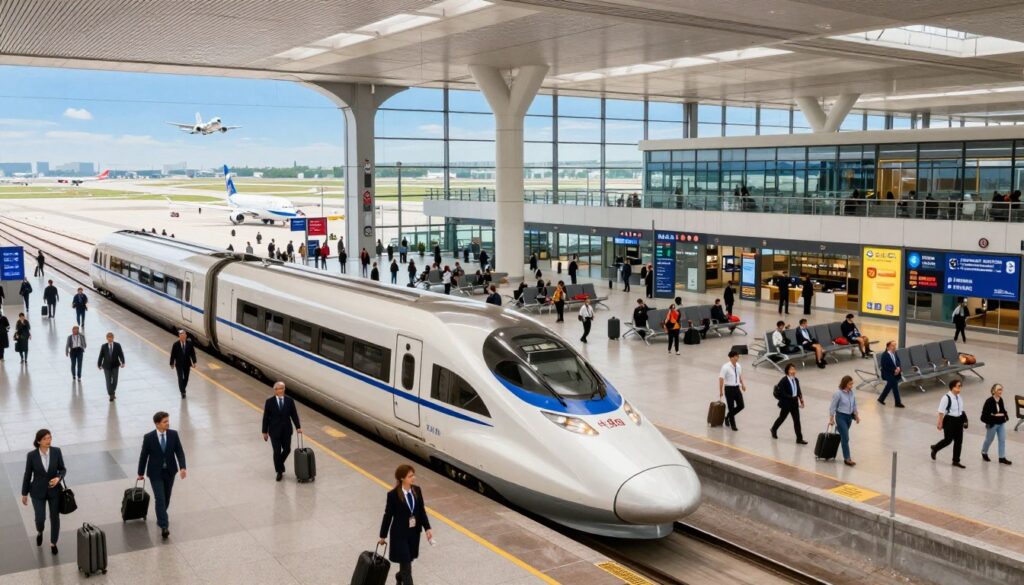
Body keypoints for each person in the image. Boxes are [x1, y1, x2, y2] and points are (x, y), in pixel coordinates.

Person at [378, 464, 432, 585]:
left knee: (406, 563)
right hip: (399, 535)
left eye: (413, 475)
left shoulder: (417, 490)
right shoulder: (393, 495)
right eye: (410, 476)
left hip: (413, 534)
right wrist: (383, 536)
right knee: (407, 567)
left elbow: (421, 511)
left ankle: (399, 576)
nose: (413, 478)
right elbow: (388, 515)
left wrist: (427, 528)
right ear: (402, 478)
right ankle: (404, 577)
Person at [138, 411, 187, 539]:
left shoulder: (173, 434)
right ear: (157, 424)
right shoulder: (149, 438)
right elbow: (143, 456)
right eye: (165, 422)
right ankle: (164, 526)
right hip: (155, 473)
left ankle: (161, 516)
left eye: (168, 421)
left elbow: (179, 452)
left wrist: (182, 467)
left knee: (166, 498)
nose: (168, 423)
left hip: (170, 472)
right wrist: (140, 473)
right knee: (160, 498)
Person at [21, 428, 65, 555]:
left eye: (50, 437)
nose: (48, 440)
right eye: (45, 438)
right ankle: (40, 531)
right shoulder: (31, 456)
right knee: (40, 518)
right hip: (37, 492)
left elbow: (62, 469)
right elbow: (27, 475)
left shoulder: (56, 451)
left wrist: (58, 478)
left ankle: (53, 543)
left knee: (55, 517)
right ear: (39, 441)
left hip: (54, 491)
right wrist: (24, 493)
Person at [261, 381, 303, 481]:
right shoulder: (269, 402)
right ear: (275, 390)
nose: (280, 390)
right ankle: (279, 471)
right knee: (277, 451)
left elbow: (294, 414)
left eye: (282, 388)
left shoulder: (289, 401)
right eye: (278, 389)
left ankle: (279, 464)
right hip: (274, 431)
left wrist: (298, 427)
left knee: (287, 449)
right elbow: (266, 417)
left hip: (286, 430)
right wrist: (264, 431)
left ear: (284, 389)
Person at [931, 380, 968, 469]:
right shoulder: (946, 398)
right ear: (953, 387)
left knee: (958, 442)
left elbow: (961, 410)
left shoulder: (959, 397)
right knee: (948, 440)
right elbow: (941, 411)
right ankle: (935, 448)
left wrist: (965, 420)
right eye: (958, 386)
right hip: (949, 420)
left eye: (960, 386)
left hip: (959, 420)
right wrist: (940, 423)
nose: (960, 388)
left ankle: (956, 461)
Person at [829, 375, 860, 466]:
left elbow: (854, 405)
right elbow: (832, 406)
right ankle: (847, 458)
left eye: (852, 384)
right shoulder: (838, 394)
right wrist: (831, 419)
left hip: (849, 418)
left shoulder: (851, 393)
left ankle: (839, 429)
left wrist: (856, 416)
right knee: (846, 438)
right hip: (841, 417)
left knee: (843, 436)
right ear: (845, 384)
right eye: (850, 384)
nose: (851, 386)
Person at [771, 364, 806, 444]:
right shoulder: (783, 381)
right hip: (786, 403)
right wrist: (791, 397)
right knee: (782, 418)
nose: (793, 371)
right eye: (791, 369)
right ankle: (773, 429)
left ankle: (799, 439)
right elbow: (782, 393)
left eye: (794, 369)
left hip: (794, 403)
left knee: (797, 421)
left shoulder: (796, 380)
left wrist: (801, 400)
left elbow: (798, 391)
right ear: (787, 371)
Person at [979, 383, 1012, 465]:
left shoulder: (1000, 399)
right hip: (992, 424)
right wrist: (993, 417)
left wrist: (1005, 415)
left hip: (1001, 423)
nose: (1000, 391)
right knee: (989, 439)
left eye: (1001, 389)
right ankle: (984, 452)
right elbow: (983, 416)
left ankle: (1002, 457)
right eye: (999, 390)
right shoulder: (989, 401)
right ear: (993, 391)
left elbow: (1002, 410)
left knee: (1002, 440)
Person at [718, 350, 747, 431]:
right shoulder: (725, 367)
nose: (737, 358)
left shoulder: (738, 366)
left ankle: (727, 417)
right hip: (729, 389)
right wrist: (721, 391)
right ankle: (733, 424)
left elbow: (739, 376)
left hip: (737, 388)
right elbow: (721, 379)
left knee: (741, 405)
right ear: (731, 357)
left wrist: (742, 385)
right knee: (731, 407)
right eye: (736, 356)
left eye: (738, 356)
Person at [97, 332, 125, 401]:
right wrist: (99, 364)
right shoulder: (104, 346)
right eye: (108, 338)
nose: (110, 339)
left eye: (111, 337)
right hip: (106, 366)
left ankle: (112, 391)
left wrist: (123, 362)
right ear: (106, 338)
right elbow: (101, 356)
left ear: (113, 338)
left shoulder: (117, 345)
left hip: (115, 366)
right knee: (108, 381)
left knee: (115, 380)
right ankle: (111, 394)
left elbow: (121, 354)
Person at [169, 330, 197, 399]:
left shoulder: (189, 344)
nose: (182, 337)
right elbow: (173, 354)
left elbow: (192, 354)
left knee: (186, 378)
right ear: (179, 337)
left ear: (186, 336)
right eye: (181, 336)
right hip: (179, 364)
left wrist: (194, 362)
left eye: (184, 336)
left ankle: (182, 388)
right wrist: (172, 363)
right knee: (180, 378)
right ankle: (183, 392)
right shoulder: (176, 345)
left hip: (187, 364)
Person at [877, 341, 905, 407]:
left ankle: (881, 398)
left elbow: (898, 361)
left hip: (894, 372)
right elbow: (885, 366)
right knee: (894, 384)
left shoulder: (895, 353)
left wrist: (898, 368)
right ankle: (898, 402)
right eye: (892, 346)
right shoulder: (885, 355)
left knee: (890, 385)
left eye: (895, 345)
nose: (894, 347)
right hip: (887, 373)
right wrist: (894, 370)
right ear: (888, 347)